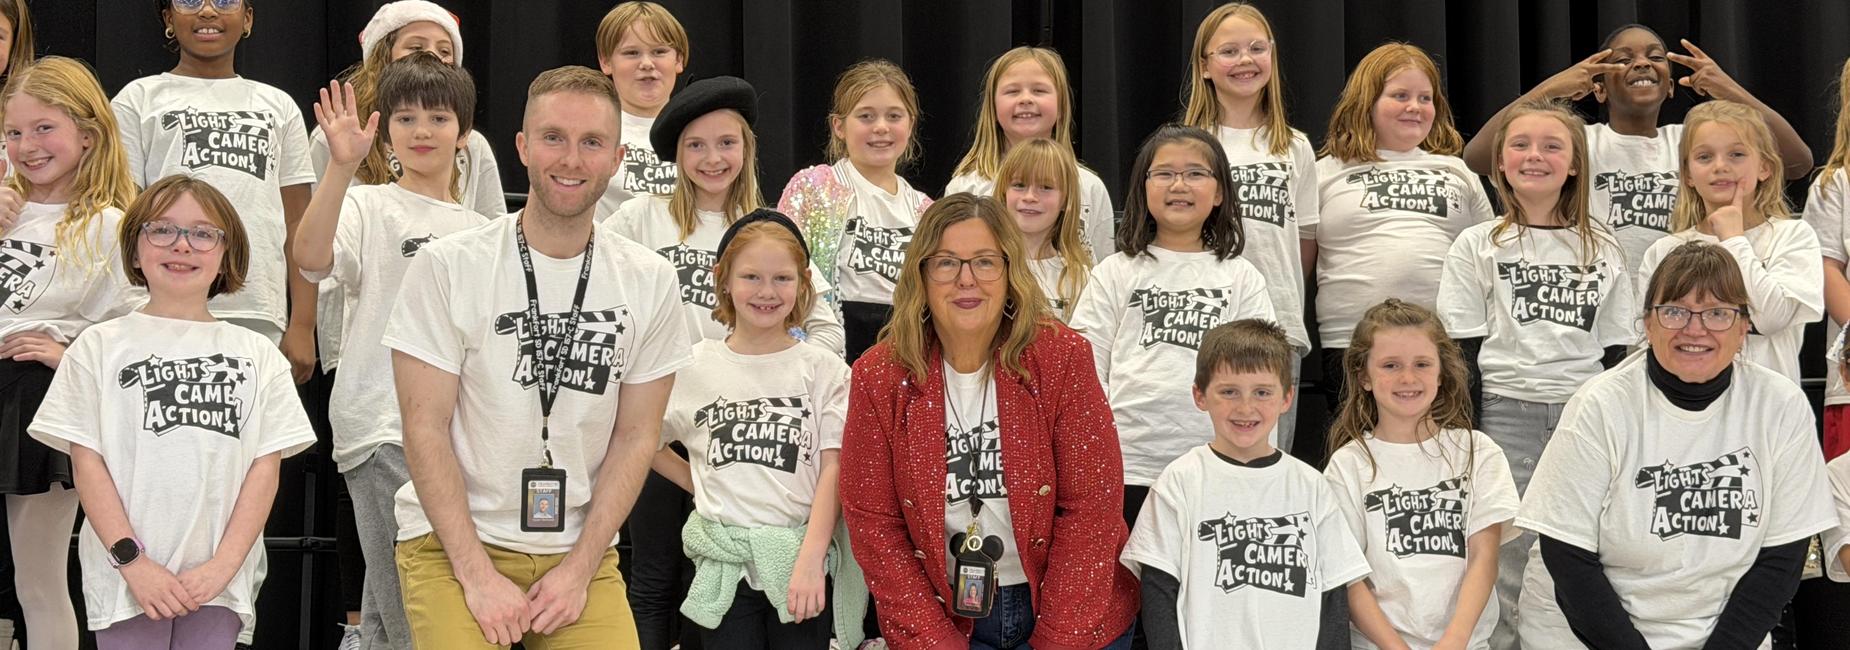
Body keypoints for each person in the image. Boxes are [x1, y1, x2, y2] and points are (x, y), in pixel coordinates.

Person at [385, 65, 692, 648]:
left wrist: (578, 572)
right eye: (554, 137)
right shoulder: (448, 266)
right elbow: (424, 427)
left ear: (617, 158)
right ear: (523, 147)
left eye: (591, 142)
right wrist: (476, 577)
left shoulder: (650, 280)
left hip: (578, 553)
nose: (571, 159)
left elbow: (636, 437)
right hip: (453, 544)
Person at [30, 175, 316, 650]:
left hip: (219, 587)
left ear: (228, 253)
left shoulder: (259, 354)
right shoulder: (97, 347)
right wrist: (133, 563)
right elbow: (87, 462)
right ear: (135, 245)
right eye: (162, 230)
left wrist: (222, 568)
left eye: (203, 233)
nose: (182, 245)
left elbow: (265, 470)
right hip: (126, 582)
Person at [840, 193, 1137, 649]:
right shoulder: (879, 376)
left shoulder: (1060, 358)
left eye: (984, 262)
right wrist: (934, 640)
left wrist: (1058, 639)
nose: (966, 280)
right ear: (920, 273)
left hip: (1072, 610)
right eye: (945, 263)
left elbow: (1092, 508)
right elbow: (874, 524)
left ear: (1010, 271)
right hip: (943, 614)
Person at [1516, 240, 1836, 648]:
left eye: (1717, 313)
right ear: (1647, 323)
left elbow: (1782, 558)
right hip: (1589, 632)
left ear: (1743, 328)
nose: (1695, 329)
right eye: (1674, 311)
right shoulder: (1599, 404)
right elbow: (1567, 555)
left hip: (1725, 635)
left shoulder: (1781, 405)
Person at [294, 52, 489, 650]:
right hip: (380, 423)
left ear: (465, 134)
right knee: (417, 600)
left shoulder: (482, 230)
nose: (423, 131)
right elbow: (309, 257)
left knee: (387, 603)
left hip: (454, 434)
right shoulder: (366, 204)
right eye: (406, 119)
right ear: (385, 129)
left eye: (438, 117)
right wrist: (340, 170)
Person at [1434, 99, 1636, 646]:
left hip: (1584, 417)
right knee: (1503, 554)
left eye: (1552, 146)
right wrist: (1467, 433)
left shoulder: (1603, 245)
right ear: (1499, 161)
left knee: (1583, 550)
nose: (1535, 156)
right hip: (1505, 414)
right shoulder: (1478, 244)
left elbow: (1619, 351)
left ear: (1574, 163)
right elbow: (1461, 352)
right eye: (1520, 144)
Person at [650, 209, 868, 649]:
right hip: (724, 567)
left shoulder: (825, 370)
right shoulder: (694, 365)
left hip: (799, 566)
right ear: (724, 279)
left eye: (782, 279)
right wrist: (701, 483)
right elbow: (646, 442)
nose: (767, 292)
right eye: (751, 277)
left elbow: (834, 470)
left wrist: (810, 559)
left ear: (804, 283)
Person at [1462, 25, 1814, 269]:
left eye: (1655, 57)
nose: (1642, 63)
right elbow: (1478, 157)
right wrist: (1552, 87)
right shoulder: (1582, 141)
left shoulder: (1690, 141)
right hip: (1601, 306)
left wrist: (1729, 89)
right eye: (1624, 58)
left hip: (1681, 299)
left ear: (1672, 87)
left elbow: (1798, 162)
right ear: (1598, 89)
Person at [0, 55, 142, 650]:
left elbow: (141, 317)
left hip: (35, 403)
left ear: (88, 134)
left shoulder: (111, 224)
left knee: (39, 581)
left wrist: (72, 352)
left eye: (44, 128)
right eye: (13, 132)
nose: (27, 146)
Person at [1068, 125, 1273, 525]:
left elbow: (1260, 374)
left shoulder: (1241, 277)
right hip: (1129, 464)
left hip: (1217, 459)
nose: (1179, 184)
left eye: (1196, 173)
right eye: (1164, 173)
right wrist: (1104, 448)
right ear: (1143, 188)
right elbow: (1086, 369)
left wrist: (1252, 457)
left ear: (1219, 194)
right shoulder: (1115, 272)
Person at [1123, 319, 1370, 649]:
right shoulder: (1180, 481)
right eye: (1229, 392)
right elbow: (1159, 593)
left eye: (1262, 392)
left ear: (1286, 398)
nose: (1245, 407)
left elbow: (1333, 597)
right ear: (1200, 395)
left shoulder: (1310, 485)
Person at [113, 0, 318, 384]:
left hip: (256, 306)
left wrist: (303, 323)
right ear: (168, 19)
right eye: (190, 1)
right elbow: (123, 214)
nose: (208, 11)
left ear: (249, 17)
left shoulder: (279, 106)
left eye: (225, 1)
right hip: (160, 303)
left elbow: (300, 223)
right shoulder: (138, 99)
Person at [1313, 43, 1494, 428]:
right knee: (1363, 462)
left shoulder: (1457, 170)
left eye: (1425, 98)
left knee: (1449, 459)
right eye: (1400, 96)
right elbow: (1299, 262)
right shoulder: (1324, 171)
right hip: (1352, 342)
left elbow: (1487, 258)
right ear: (1367, 102)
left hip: (1446, 342)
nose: (1415, 106)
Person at [1323, 300, 1520, 649]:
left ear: (1441, 373)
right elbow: (1350, 580)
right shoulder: (1347, 465)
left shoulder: (1478, 452)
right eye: (1390, 365)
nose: (1408, 378)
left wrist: (1454, 641)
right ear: (1363, 376)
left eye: (1422, 364)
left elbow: (1484, 557)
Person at [1181, 2, 1319, 454]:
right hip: (1205, 319)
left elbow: (1304, 241)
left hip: (1276, 323)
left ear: (1272, 57)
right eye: (1230, 51)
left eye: (1257, 48)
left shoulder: (1294, 146)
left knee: (1264, 458)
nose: (1245, 60)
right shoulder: (1189, 143)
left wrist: (1284, 300)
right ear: (1204, 66)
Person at [1636, 100, 1821, 385]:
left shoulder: (1792, 237)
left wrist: (1734, 239)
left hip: (1765, 409)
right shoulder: (1663, 252)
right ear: (1687, 175)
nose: (1720, 166)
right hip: (1683, 408)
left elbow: (1772, 319)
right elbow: (1646, 342)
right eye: (1705, 157)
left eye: (1736, 154)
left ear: (1765, 168)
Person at [777, 59, 931, 363]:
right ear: (839, 126)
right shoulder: (813, 187)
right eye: (866, 116)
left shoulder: (925, 210)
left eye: (894, 116)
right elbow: (786, 265)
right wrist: (818, 344)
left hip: (902, 350)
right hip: (825, 345)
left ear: (910, 124)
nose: (881, 127)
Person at [945, 46, 1115, 258]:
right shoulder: (966, 186)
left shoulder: (1089, 186)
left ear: (1061, 104)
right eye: (1012, 91)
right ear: (992, 107)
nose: (1025, 99)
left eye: (1039, 91)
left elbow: (1103, 267)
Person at [595, 0, 689, 217]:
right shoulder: (590, 130)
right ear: (606, 62)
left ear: (679, 59)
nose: (646, 63)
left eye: (658, 51)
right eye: (631, 53)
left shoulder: (701, 131)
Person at [990, 138, 1090, 320]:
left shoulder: (1080, 278)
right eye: (1019, 185)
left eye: (1046, 187)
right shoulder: (983, 265)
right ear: (1004, 193)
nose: (1029, 197)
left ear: (1066, 201)